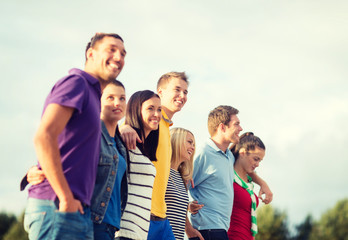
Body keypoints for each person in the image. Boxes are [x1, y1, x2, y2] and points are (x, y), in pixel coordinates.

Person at [23, 32, 126, 240]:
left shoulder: (92, 95)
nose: (119, 57)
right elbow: (44, 137)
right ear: (91, 54)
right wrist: (65, 197)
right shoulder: (76, 83)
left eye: (123, 53)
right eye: (111, 50)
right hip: (56, 206)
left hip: (76, 210)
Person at [120, 72, 189, 239]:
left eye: (185, 92)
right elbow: (127, 129)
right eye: (177, 89)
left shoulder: (164, 127)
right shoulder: (150, 122)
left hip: (162, 216)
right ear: (160, 92)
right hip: (142, 215)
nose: (182, 95)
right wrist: (123, 128)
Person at [189, 105, 272, 240]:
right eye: (236, 124)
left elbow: (245, 167)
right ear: (222, 127)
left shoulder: (228, 156)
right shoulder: (203, 153)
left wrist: (263, 183)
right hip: (206, 230)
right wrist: (187, 209)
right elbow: (180, 184)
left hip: (220, 230)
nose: (241, 128)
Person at [116, 90, 160, 239]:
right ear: (136, 109)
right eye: (150, 108)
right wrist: (123, 127)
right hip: (123, 230)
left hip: (139, 233)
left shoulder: (144, 152)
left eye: (159, 109)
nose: (157, 114)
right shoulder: (126, 142)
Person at [165, 128, 203, 240]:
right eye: (189, 142)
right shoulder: (162, 172)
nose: (193, 147)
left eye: (194, 144)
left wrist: (189, 227)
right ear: (176, 141)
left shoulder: (182, 178)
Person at [227, 132, 265, 240]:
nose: (258, 164)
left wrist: (263, 184)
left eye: (260, 161)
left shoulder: (248, 183)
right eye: (256, 159)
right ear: (243, 152)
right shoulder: (228, 177)